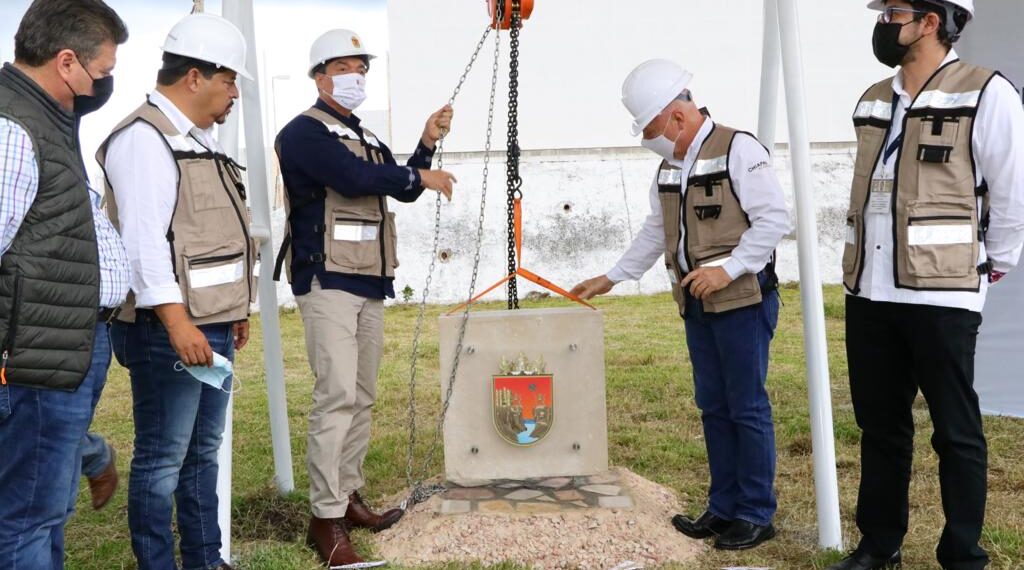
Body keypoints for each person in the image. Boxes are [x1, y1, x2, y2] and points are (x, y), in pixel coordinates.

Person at [828, 2, 1024, 569]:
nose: (883, 22)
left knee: (955, 431)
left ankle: (962, 552)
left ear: (932, 20)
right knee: (880, 428)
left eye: (893, 11)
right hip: (871, 291)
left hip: (943, 295)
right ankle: (879, 543)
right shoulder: (873, 96)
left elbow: (1012, 191)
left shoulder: (986, 93)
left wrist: (994, 263)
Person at [571, 60, 792, 551]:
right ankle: (723, 507)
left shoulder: (740, 148)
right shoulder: (670, 166)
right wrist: (611, 277)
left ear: (676, 116)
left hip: (742, 301)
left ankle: (757, 513)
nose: (650, 139)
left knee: (746, 407)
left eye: (651, 129)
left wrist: (728, 268)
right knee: (713, 406)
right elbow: (656, 230)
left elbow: (773, 219)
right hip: (696, 305)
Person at [274, 28, 457, 568]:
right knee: (335, 397)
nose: (357, 77)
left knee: (361, 395)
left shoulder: (365, 135)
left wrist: (424, 143)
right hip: (326, 279)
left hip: (368, 280)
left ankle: (348, 496)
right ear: (319, 75)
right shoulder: (304, 133)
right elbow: (353, 179)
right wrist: (419, 169)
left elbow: (399, 185)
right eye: (347, 67)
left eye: (362, 69)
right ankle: (324, 519)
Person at [97, 13, 256, 570]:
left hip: (206, 324)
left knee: (201, 455)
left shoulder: (199, 142)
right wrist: (178, 323)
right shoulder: (144, 140)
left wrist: (231, 311)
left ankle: (207, 561)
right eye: (229, 80)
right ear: (195, 77)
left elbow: (207, 235)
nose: (234, 93)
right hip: (168, 330)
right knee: (163, 460)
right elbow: (142, 245)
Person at [0, 1, 128, 567]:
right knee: (25, 518)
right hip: (32, 356)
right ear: (67, 61)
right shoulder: (13, 128)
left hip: (60, 344)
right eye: (102, 72)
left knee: (43, 510)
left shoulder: (48, 119)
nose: (104, 84)